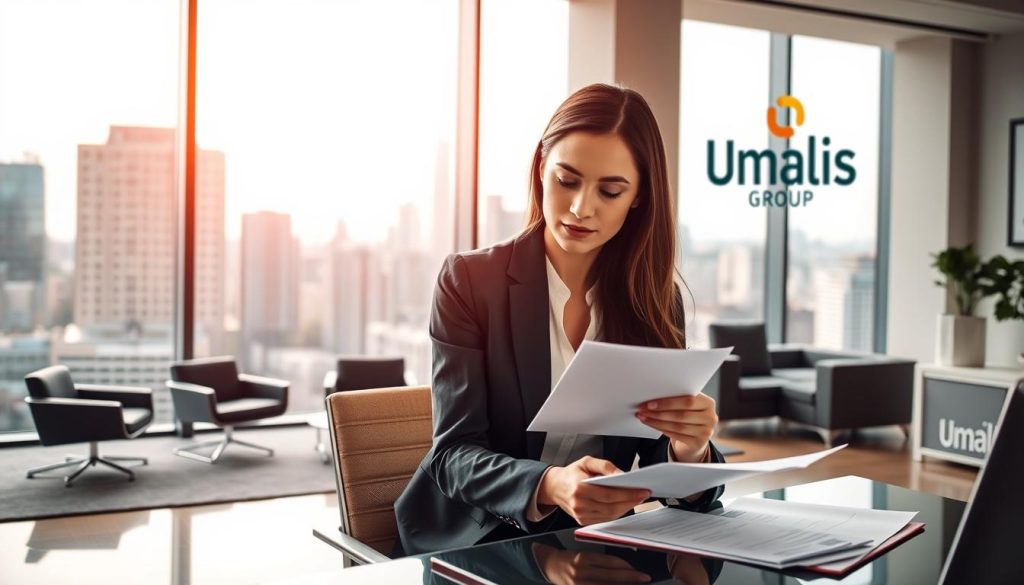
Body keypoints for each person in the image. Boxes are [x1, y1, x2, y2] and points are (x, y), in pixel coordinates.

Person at [395, 83, 725, 556]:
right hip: (476, 541)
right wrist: (550, 485)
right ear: (540, 168)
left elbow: (659, 460)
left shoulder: (654, 299)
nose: (580, 208)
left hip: (596, 545)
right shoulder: (470, 281)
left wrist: (688, 448)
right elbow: (453, 454)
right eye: (566, 180)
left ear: (638, 197)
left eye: (610, 191)